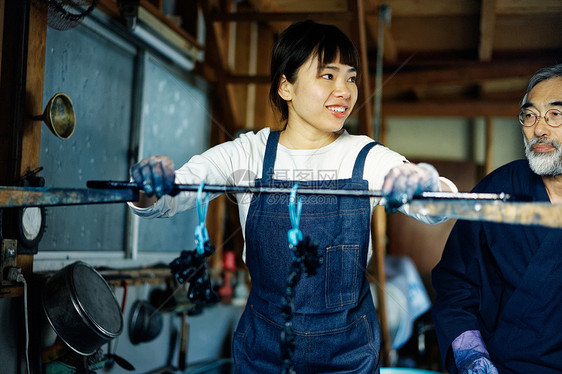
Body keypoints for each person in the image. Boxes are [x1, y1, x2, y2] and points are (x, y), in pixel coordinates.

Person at [129, 20, 455, 373]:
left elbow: (437, 208)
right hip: (263, 353)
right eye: (327, 76)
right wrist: (152, 185)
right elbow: (174, 193)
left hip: (347, 357)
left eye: (351, 77)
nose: (345, 90)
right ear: (286, 87)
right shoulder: (249, 154)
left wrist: (424, 181)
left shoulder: (367, 157)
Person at [431, 63, 562, 374]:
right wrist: (470, 357)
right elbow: (455, 285)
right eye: (529, 115)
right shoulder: (499, 189)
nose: (538, 129)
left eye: (555, 115)